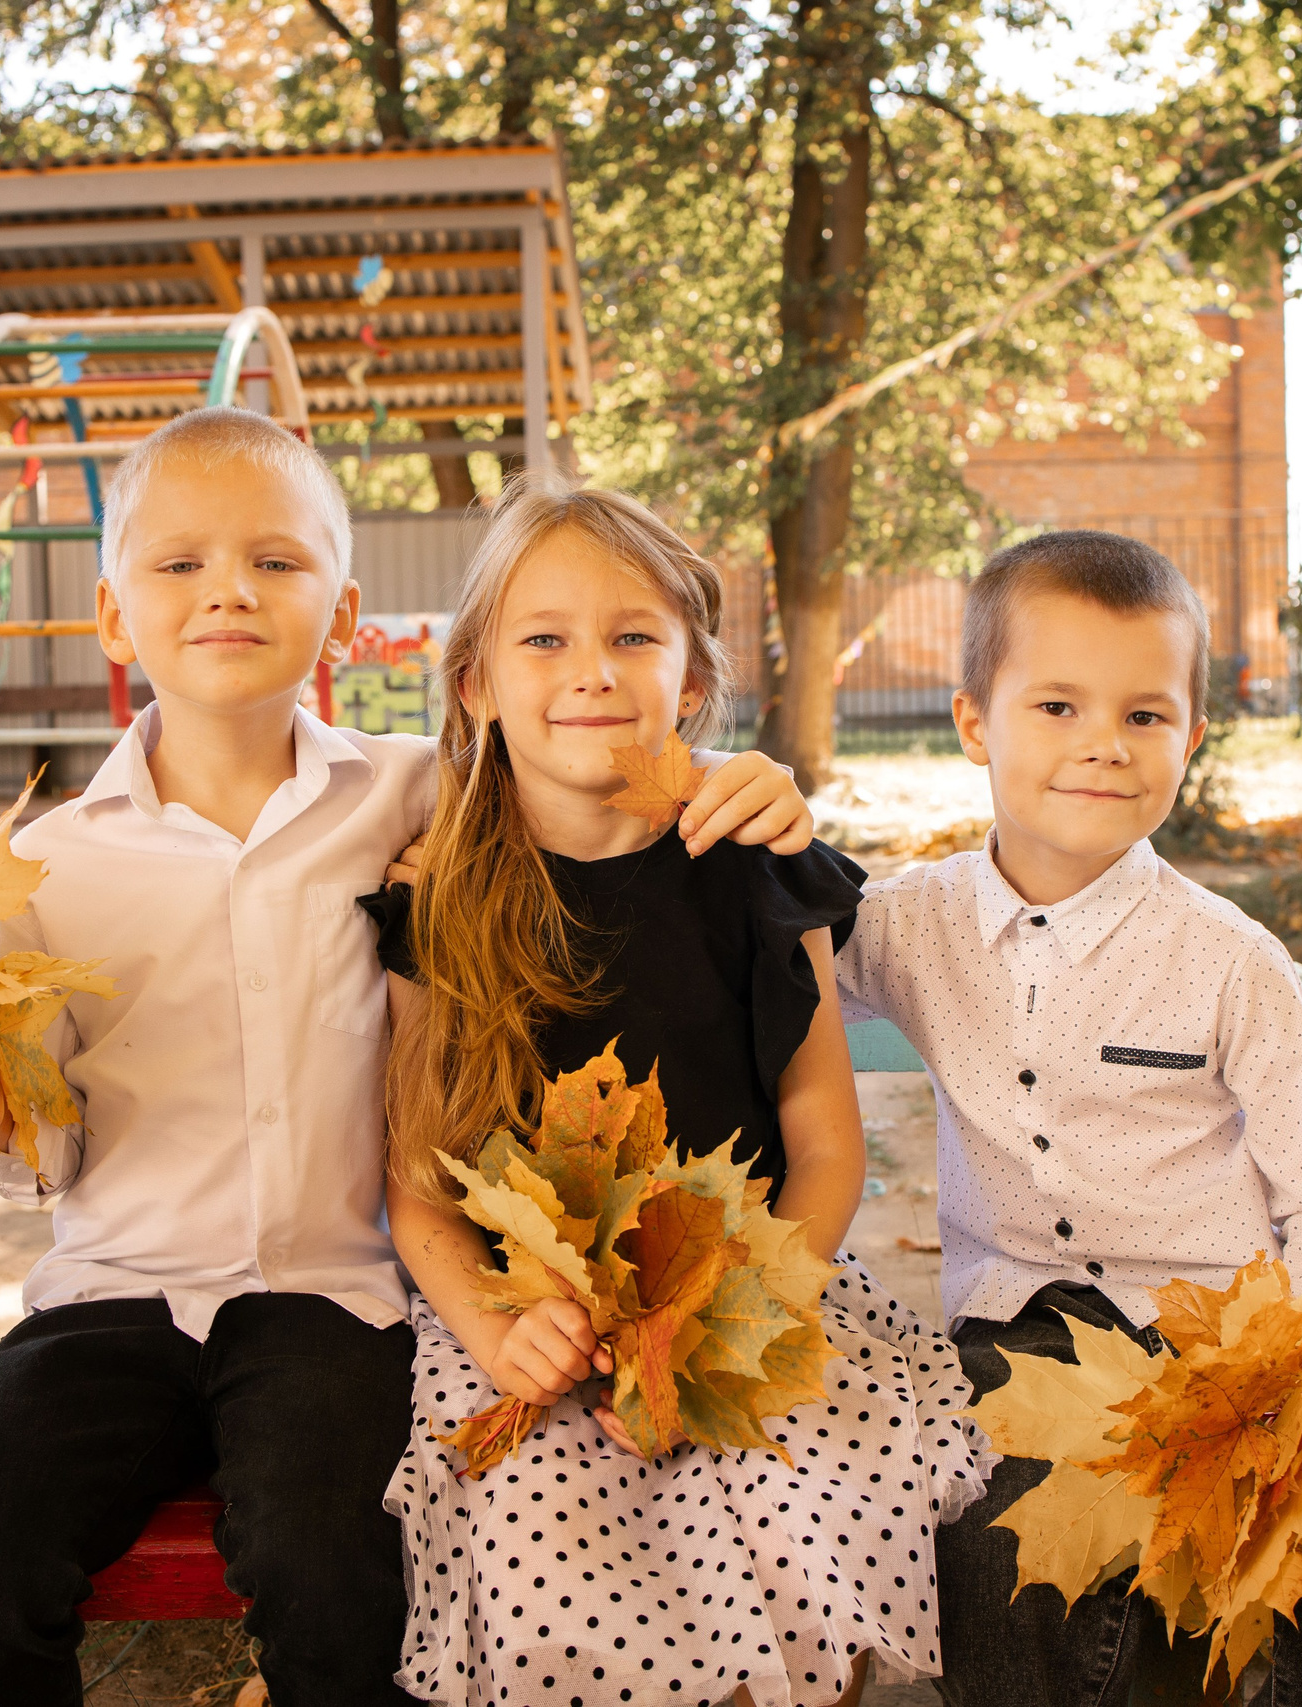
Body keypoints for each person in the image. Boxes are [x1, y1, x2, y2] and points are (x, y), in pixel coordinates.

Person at [0, 408, 816, 1707]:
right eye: (180, 563)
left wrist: (733, 776)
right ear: (111, 617)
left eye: (275, 560)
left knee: (340, 1587)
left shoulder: (419, 791)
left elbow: (590, 763)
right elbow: (47, 1154)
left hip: (335, 1305)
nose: (229, 591)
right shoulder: (40, 867)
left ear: (345, 613)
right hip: (107, 1300)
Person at [833, 530, 1302, 1707]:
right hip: (1024, 1337)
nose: (1103, 742)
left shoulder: (1228, 960)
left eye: (1145, 715)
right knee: (998, 1562)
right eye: (1056, 705)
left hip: (1244, 1335)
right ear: (974, 723)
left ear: (1189, 738)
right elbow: (760, 939)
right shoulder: (907, 927)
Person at [367, 480, 996, 1707]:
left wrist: (722, 1329)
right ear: (476, 684)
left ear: (692, 680)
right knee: (552, 1556)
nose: (590, 670)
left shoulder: (758, 872)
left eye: (632, 636)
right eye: (542, 639)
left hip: (756, 1290)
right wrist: (498, 1337)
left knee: (797, 1517)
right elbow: (416, 1189)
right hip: (532, 1328)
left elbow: (826, 1149)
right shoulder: (436, 899)